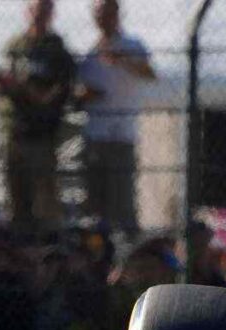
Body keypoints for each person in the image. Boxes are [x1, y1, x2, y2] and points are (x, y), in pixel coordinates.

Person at [0, 0, 75, 238]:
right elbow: (3, 84)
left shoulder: (56, 50)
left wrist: (33, 94)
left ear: (51, 15)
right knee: (15, 195)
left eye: (44, 12)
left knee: (44, 200)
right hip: (14, 130)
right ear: (27, 12)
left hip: (41, 134)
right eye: (35, 11)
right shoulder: (15, 46)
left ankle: (47, 244)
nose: (38, 17)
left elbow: (60, 90)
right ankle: (19, 244)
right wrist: (8, 86)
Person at [75, 0, 155, 236]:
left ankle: (129, 245)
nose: (103, 19)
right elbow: (80, 88)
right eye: (99, 14)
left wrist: (122, 60)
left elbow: (150, 74)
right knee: (95, 204)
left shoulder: (132, 44)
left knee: (122, 201)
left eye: (108, 13)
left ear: (118, 14)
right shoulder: (89, 50)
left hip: (121, 134)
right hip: (94, 134)